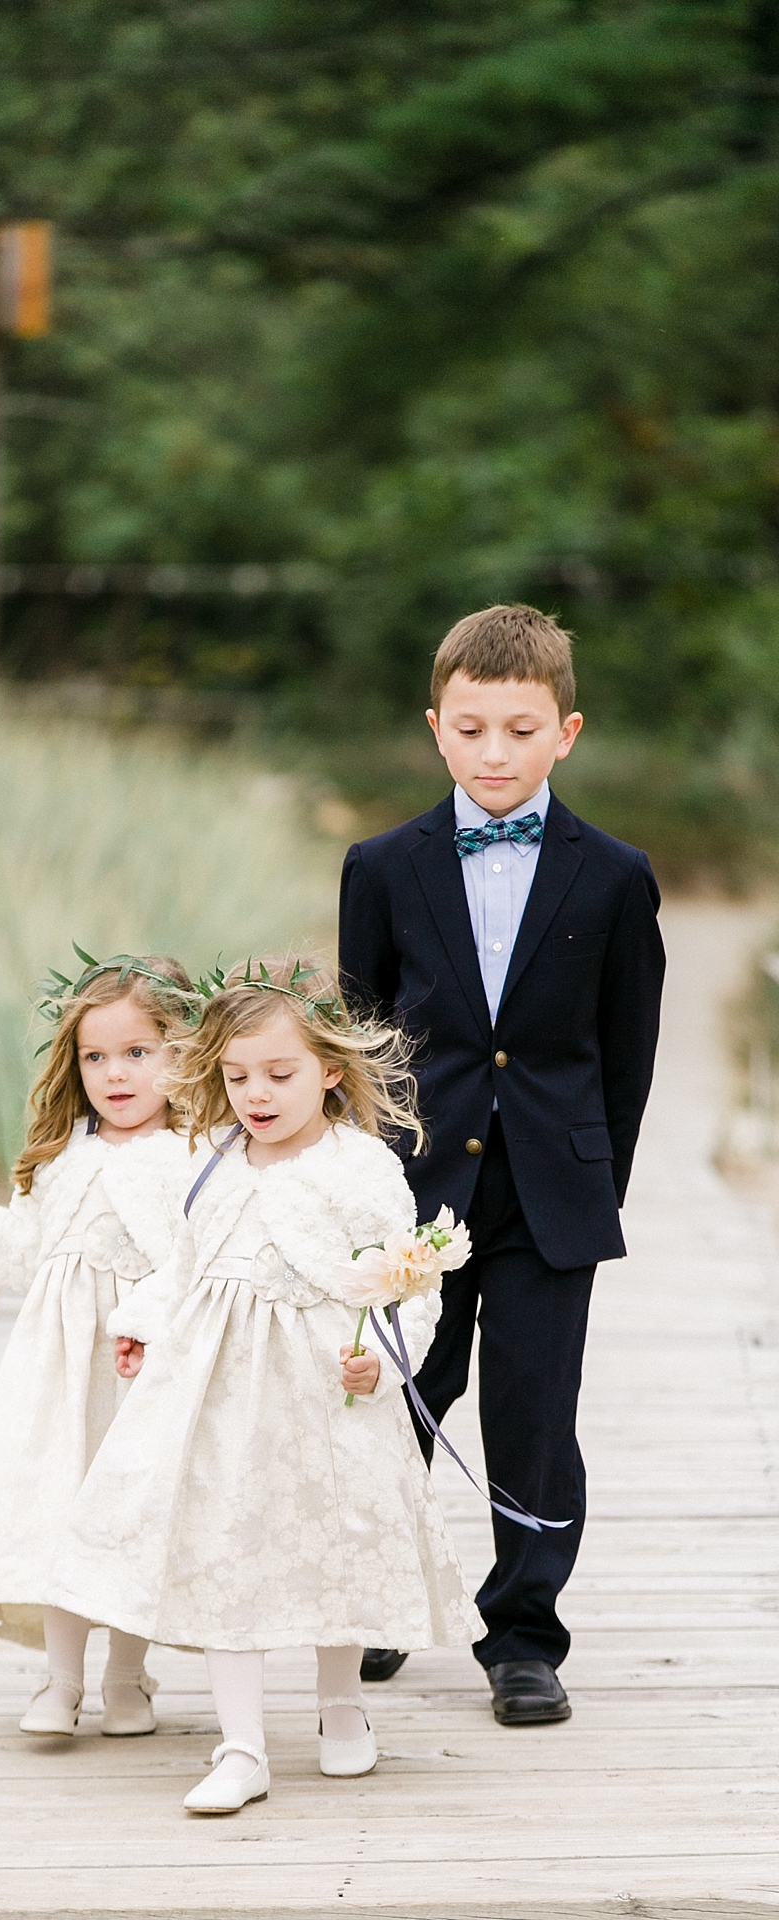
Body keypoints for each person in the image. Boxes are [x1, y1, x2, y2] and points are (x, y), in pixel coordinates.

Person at [47, 960, 481, 1813]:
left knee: (336, 1537)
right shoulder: (214, 1161)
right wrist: (141, 1322)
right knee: (223, 1547)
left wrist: (386, 1361)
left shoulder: (361, 1169)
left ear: (328, 1069)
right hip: (217, 1394)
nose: (257, 1095)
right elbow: (185, 1266)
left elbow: (406, 1281)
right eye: (237, 1077)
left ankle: (341, 1704)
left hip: (325, 1388)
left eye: (279, 1075)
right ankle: (241, 1745)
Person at [339, 604, 665, 1726]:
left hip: (548, 1196)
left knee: (532, 1415)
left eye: (518, 731)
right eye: (470, 729)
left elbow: (627, 1057)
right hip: (411, 1191)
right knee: (398, 1399)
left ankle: (521, 1635)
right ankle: (375, 1601)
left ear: (563, 732)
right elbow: (362, 1038)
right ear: (435, 728)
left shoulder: (614, 877)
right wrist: (364, 1186)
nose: (492, 754)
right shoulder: (380, 867)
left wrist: (589, 1187)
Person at [0, 956, 198, 1739]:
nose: (115, 1074)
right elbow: (28, 1257)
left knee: (130, 1518)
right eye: (96, 1057)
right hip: (56, 1371)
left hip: (138, 1364)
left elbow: (193, 1265)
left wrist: (146, 1317)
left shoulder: (193, 1158)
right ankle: (59, 1678)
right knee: (61, 1512)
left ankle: (127, 1677)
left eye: (138, 1054)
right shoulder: (60, 1157)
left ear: (179, 1052)